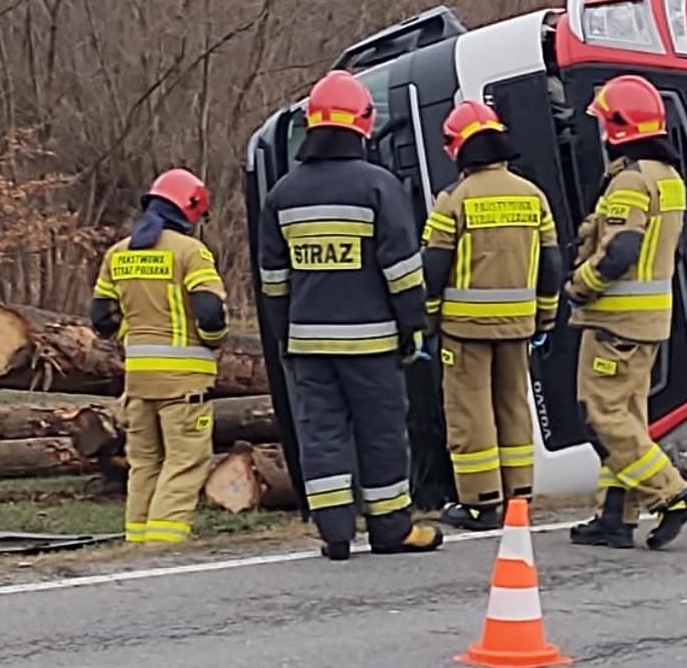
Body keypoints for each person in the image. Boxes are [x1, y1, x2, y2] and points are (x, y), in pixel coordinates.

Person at [258, 70, 442, 560]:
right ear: (364, 122)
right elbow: (402, 270)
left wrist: (285, 338)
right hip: (372, 342)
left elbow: (273, 282)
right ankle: (391, 528)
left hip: (309, 343)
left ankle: (335, 533)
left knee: (321, 432)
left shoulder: (282, 194)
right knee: (380, 431)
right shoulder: (379, 187)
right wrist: (413, 328)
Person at [567, 75, 687, 551]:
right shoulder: (668, 178)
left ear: (618, 127)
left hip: (615, 320)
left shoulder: (630, 180)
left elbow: (621, 248)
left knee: (601, 414)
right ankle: (614, 517)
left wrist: (579, 286)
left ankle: (672, 495)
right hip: (647, 321)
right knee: (626, 416)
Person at [422, 99, 563, 531]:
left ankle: (481, 502)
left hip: (464, 329)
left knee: (471, 413)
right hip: (519, 326)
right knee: (513, 406)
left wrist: (427, 321)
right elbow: (552, 264)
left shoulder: (454, 200)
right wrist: (545, 317)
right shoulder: (532, 196)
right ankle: (518, 495)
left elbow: (433, 267)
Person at [89, 169, 227, 544]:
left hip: (137, 382)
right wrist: (212, 341)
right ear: (191, 208)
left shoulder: (118, 254)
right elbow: (211, 311)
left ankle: (136, 541)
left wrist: (131, 338)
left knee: (144, 464)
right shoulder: (190, 252)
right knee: (184, 463)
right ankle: (164, 545)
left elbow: (101, 319)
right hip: (184, 384)